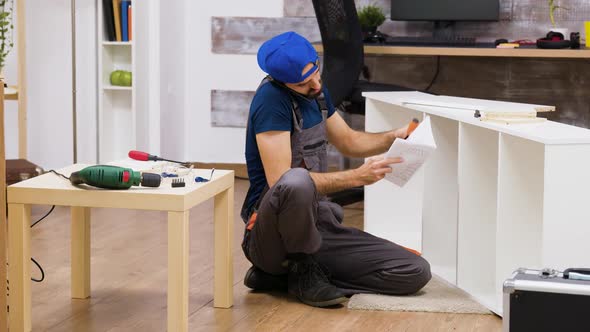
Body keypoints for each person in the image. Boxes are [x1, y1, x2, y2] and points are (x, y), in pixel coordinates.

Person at [240, 31, 431, 308]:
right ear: (283, 82)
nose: (317, 84)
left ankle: (286, 276)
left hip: (317, 225)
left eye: (316, 73)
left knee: (414, 271)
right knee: (295, 181)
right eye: (305, 83)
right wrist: (356, 177)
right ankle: (292, 268)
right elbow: (281, 181)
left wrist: (395, 136)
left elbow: (349, 141)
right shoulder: (271, 101)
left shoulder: (316, 91)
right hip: (269, 236)